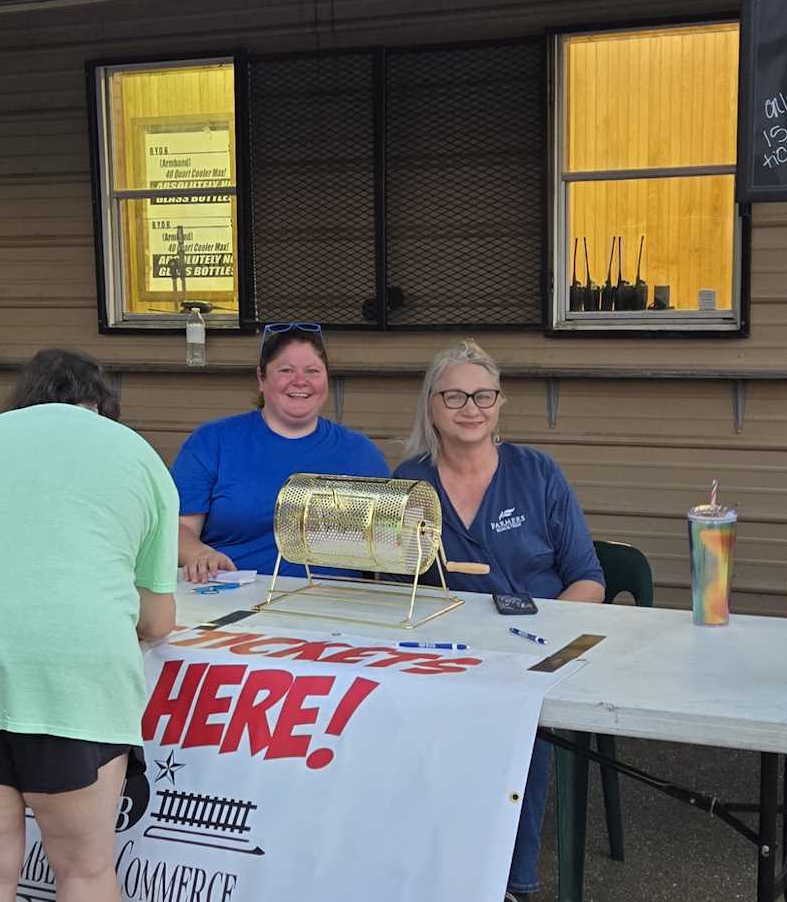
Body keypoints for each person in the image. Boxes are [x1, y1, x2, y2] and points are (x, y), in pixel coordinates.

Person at [0, 348, 178, 902]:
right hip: (70, 659)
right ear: (102, 405)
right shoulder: (134, 452)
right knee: (84, 871)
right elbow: (158, 619)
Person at [393, 339, 605, 902]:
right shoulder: (410, 482)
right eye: (455, 396)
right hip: (441, 653)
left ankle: (511, 882)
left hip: (530, 650)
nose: (471, 408)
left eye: (483, 395)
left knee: (517, 714)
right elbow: (395, 585)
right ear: (431, 405)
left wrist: (546, 640)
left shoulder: (537, 473)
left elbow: (589, 579)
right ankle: (428, 870)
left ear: (500, 402)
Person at [172, 323, 389, 582]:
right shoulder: (212, 441)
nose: (300, 381)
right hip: (231, 593)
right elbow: (179, 528)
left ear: (326, 379)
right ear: (261, 378)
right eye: (286, 370)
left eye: (312, 371)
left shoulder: (360, 452)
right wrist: (199, 553)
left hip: (333, 599)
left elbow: (391, 538)